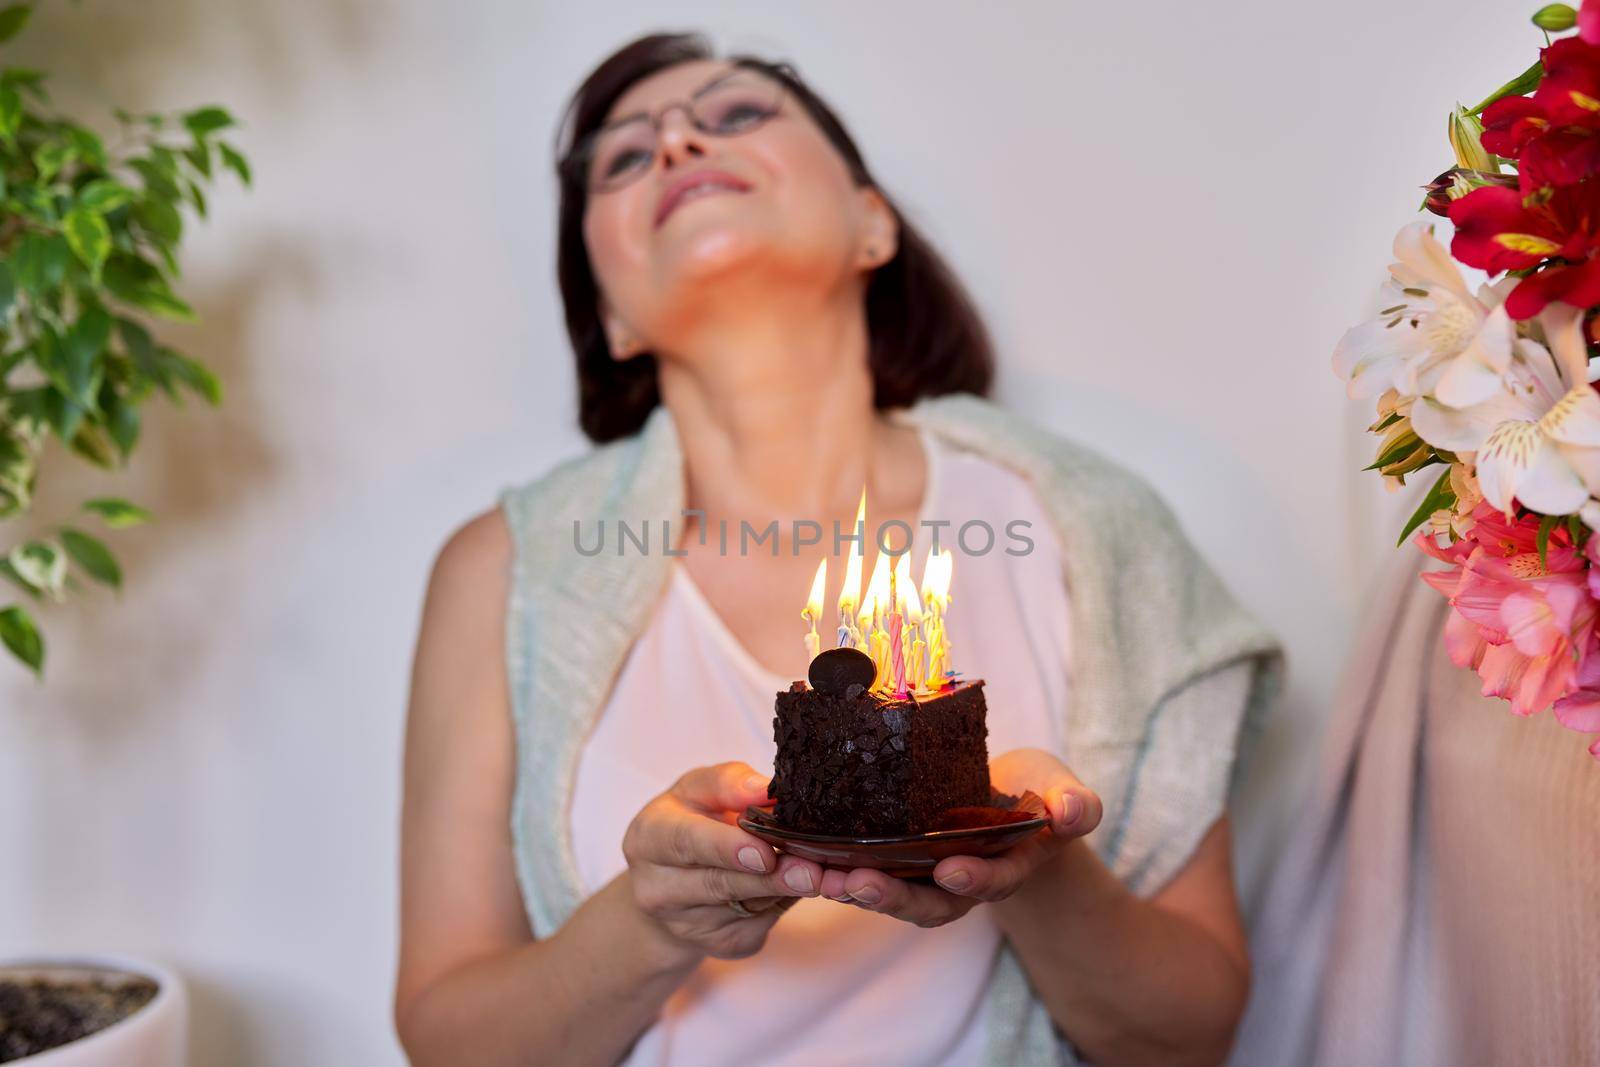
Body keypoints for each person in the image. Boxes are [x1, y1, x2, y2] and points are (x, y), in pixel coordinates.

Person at [393, 31, 1283, 1067]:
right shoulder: (501, 572)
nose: (678, 141)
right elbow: (448, 1037)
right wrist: (651, 919)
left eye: (734, 116)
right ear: (610, 316)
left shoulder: (1088, 529)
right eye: (625, 158)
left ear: (872, 223)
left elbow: (1192, 1031)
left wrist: (1031, 865)